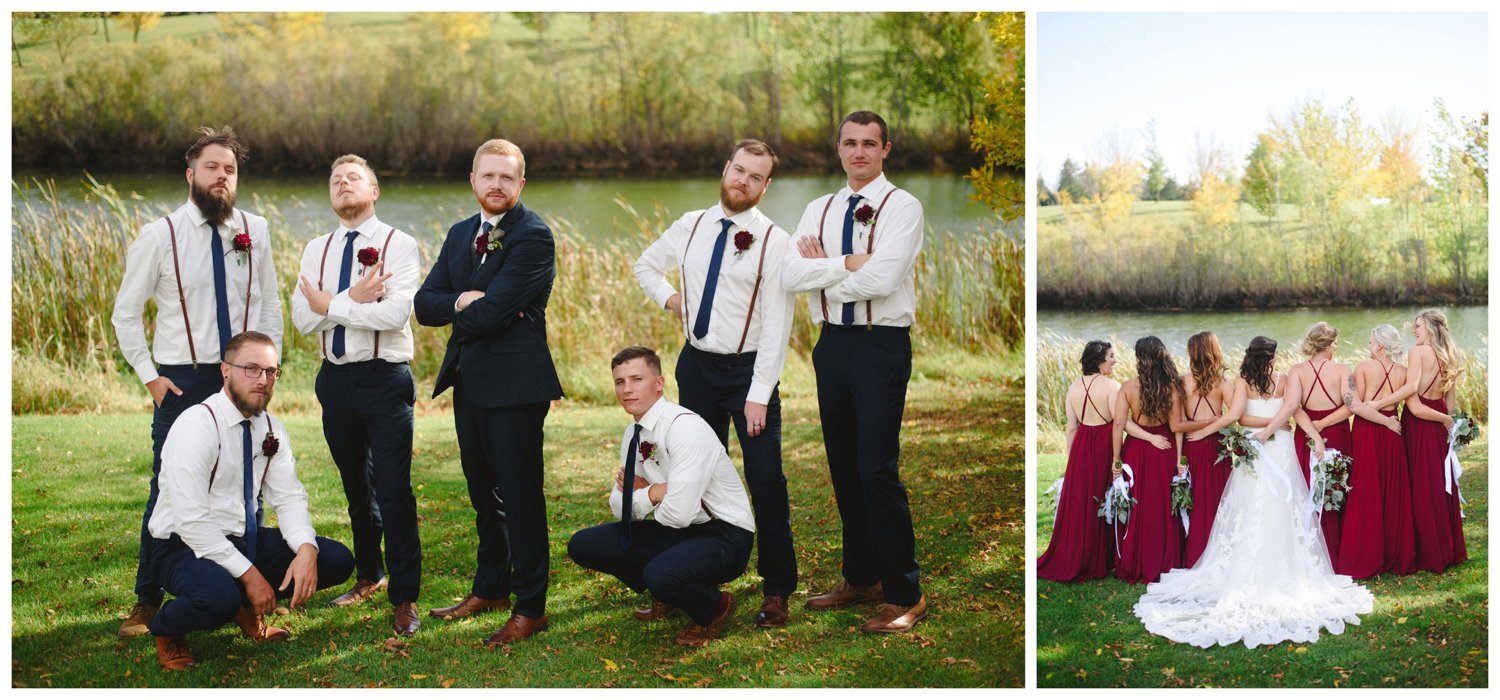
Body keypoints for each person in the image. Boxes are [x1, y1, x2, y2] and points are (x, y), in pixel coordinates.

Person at [112, 126, 284, 638]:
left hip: (245, 374)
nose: (222, 177)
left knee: (246, 483)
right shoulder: (159, 235)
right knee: (168, 487)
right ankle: (146, 599)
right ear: (191, 175)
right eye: (212, 167)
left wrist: (266, 367)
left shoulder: (257, 228)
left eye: (229, 169)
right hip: (185, 380)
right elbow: (125, 315)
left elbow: (270, 303)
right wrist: (151, 378)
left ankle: (242, 598)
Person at [631, 139, 798, 627]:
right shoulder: (692, 224)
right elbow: (645, 265)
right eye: (738, 170)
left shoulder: (775, 241)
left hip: (748, 373)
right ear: (726, 169)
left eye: (754, 176)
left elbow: (777, 327)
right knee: (686, 476)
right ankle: (682, 581)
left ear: (765, 187)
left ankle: (777, 589)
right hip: (696, 367)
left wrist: (758, 395)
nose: (742, 181)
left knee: (766, 480)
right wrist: (670, 299)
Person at [413, 139, 564, 645]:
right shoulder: (460, 235)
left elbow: (496, 311)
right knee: (484, 495)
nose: (496, 185)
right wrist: (463, 298)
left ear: (520, 184)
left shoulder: (533, 237)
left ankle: (531, 606)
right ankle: (491, 587)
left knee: (520, 498)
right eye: (488, 176)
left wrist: (471, 307)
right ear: (473, 180)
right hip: (470, 383)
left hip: (517, 387)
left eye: (507, 177)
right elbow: (424, 305)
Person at [782, 110, 927, 633]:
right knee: (843, 464)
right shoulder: (818, 207)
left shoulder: (901, 206)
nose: (859, 151)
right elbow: (789, 272)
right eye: (850, 143)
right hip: (832, 346)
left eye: (869, 143)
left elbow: (885, 279)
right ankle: (862, 577)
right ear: (838, 148)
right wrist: (847, 265)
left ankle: (905, 591)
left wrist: (822, 275)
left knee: (876, 469)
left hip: (879, 346)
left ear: (886, 148)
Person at [1133, 336, 1374, 648]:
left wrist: (1314, 435)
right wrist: (1276, 426)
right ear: (1272, 357)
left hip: (1268, 445)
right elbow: (1269, 414)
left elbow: (1274, 413)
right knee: (1261, 503)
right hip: (1266, 446)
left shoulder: (1253, 380)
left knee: (1277, 504)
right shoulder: (1265, 380)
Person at [146, 331, 354, 670]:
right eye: (252, 369)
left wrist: (305, 549)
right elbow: (191, 522)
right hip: (182, 546)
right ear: (225, 371)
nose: (263, 380)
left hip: (243, 538)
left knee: (336, 559)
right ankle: (168, 627)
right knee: (216, 598)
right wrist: (251, 576)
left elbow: (288, 498)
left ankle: (241, 606)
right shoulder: (196, 425)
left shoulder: (271, 427)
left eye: (271, 371)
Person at [291, 155, 423, 635]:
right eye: (335, 180)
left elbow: (394, 316)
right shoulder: (316, 249)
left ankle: (405, 598)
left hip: (385, 379)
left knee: (393, 489)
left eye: (353, 178)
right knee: (356, 487)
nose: (343, 184)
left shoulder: (399, 244)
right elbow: (303, 320)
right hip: (335, 380)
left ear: (374, 191)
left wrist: (331, 305)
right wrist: (351, 301)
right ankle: (369, 573)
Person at [567, 347, 757, 647]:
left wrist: (644, 493)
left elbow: (679, 514)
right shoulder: (634, 433)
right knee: (584, 544)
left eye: (636, 379)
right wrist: (656, 492)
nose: (627, 389)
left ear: (659, 382)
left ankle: (715, 606)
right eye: (619, 382)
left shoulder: (684, 428)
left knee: (660, 574)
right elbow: (619, 506)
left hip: (724, 533)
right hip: (677, 528)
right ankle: (672, 592)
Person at [1388, 309, 1466, 573]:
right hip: (1438, 426)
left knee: (1420, 486)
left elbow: (1416, 406)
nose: (1414, 330)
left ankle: (1426, 553)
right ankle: (1447, 550)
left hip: (1420, 426)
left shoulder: (1417, 353)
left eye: (1418, 325)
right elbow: (1449, 405)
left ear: (1431, 328)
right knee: (1439, 485)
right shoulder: (1451, 356)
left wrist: (1377, 403)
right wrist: (1444, 420)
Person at [1037, 340, 1119, 582]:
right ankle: (1101, 557)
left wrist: (1071, 461)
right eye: (1111, 356)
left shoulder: (1073, 387)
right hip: (1104, 443)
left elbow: (1071, 428)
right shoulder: (1112, 386)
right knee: (1103, 496)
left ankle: (1081, 553)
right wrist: (1117, 458)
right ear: (1100, 360)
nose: (1114, 360)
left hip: (1082, 445)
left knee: (1084, 500)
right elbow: (1118, 425)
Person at [1340, 325, 1412, 577]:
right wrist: (1390, 421)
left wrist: (1382, 421)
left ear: (1380, 346)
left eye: (1371, 342)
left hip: (1367, 431)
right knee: (1392, 490)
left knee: (1366, 489)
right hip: (1393, 430)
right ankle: (1394, 555)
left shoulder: (1362, 367)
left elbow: (1355, 406)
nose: (1368, 346)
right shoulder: (1404, 372)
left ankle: (1365, 554)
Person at [1111, 336, 1184, 584]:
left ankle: (1137, 560)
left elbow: (1120, 424)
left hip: (1136, 450)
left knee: (1139, 504)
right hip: (1164, 447)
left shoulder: (1128, 387)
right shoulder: (1172, 387)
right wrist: (1179, 458)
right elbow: (1177, 428)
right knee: (1162, 505)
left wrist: (1116, 459)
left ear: (1140, 359)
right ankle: (1165, 560)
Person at [1287, 322, 1352, 570]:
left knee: (1309, 489)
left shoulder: (1296, 371)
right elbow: (1350, 406)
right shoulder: (1342, 370)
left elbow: (1295, 408)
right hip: (1335, 431)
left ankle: (1311, 553)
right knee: (1337, 486)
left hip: (1307, 433)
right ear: (1326, 345)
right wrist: (1323, 425)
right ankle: (1336, 553)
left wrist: (1314, 432)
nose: (1336, 346)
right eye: (1335, 342)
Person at [1170, 332, 1229, 569]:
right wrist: (1214, 421)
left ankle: (1195, 554)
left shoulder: (1181, 382)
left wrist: (1179, 457)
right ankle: (1221, 554)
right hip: (1216, 447)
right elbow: (1234, 416)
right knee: (1217, 500)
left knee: (1198, 502)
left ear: (1192, 354)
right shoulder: (1223, 383)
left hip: (1193, 445)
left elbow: (1178, 426)